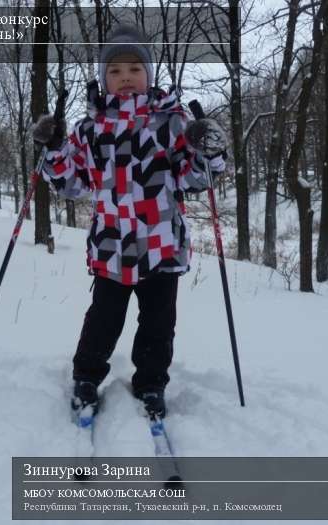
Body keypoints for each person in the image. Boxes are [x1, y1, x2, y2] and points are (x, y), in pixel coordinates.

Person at [32, 24, 228, 419]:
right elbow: (71, 183)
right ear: (104, 79)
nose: (125, 78)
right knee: (103, 320)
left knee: (158, 325)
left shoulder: (170, 123)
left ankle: (151, 384)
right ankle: (87, 377)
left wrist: (208, 149)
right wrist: (53, 149)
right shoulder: (89, 130)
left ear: (148, 75)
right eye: (115, 71)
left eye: (134, 69)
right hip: (112, 246)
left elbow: (192, 178)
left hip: (161, 245)